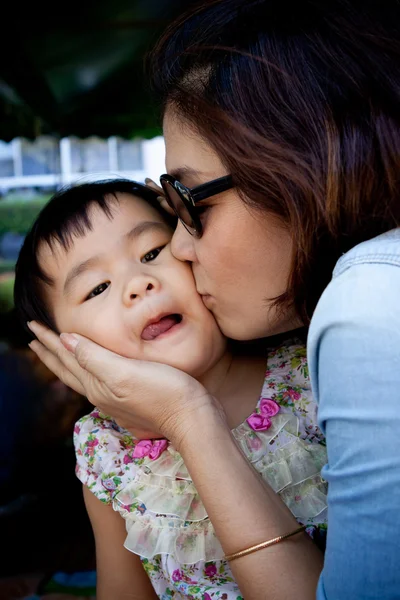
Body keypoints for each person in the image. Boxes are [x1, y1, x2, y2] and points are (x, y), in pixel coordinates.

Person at [25, 1, 400, 598]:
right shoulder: (107, 456)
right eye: (96, 289)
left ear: (296, 169)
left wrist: (187, 418)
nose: (151, 274)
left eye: (189, 204)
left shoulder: (338, 340)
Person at [14, 179, 326, 600]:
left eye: (151, 252)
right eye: (97, 289)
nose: (139, 283)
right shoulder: (107, 453)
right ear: (66, 353)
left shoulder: (313, 368)